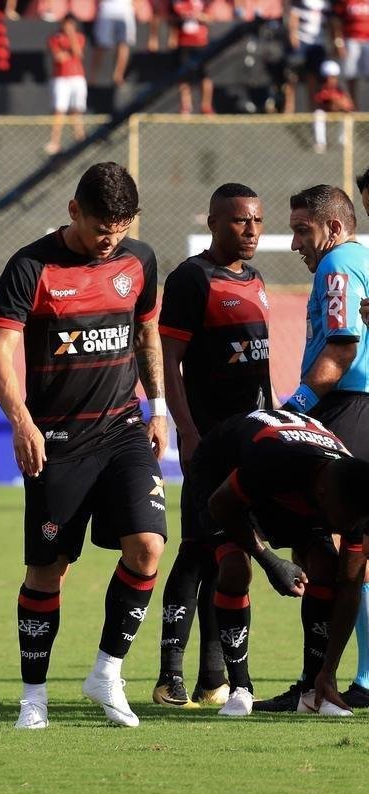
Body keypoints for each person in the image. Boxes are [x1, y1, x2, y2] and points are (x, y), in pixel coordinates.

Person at [0, 162, 168, 729]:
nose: (108, 240)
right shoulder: (30, 266)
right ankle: (33, 697)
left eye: (119, 228)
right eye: (98, 229)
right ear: (73, 212)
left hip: (122, 429)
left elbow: (146, 331)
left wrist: (157, 406)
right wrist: (20, 421)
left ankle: (107, 672)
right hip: (57, 441)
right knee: (49, 569)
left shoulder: (140, 260)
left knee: (148, 547)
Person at [152, 184, 272, 709]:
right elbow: (170, 359)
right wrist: (186, 428)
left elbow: (261, 365)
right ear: (214, 222)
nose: (251, 231)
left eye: (257, 222)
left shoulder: (257, 279)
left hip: (252, 439)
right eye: (239, 221)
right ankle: (169, 676)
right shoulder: (190, 278)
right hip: (210, 439)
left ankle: (212, 677)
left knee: (231, 553)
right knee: (199, 550)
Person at [254, 183, 369, 712]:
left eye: (304, 229)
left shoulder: (337, 265)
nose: (296, 241)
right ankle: (356, 679)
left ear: (335, 227)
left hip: (347, 409)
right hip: (354, 406)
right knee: (353, 549)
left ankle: (316, 685)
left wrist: (294, 406)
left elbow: (342, 344)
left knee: (320, 545)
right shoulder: (362, 257)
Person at [190, 409, 369, 717]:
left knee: (327, 565)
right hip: (220, 473)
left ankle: (313, 688)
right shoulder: (276, 459)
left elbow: (350, 585)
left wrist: (330, 669)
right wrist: (269, 561)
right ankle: (240, 689)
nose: (344, 528)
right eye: (341, 522)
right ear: (324, 496)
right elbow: (222, 505)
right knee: (235, 568)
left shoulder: (353, 495)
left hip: (292, 484)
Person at [44, 15, 88, 154]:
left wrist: (71, 37)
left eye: (71, 24)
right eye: (66, 24)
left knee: (77, 109)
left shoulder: (79, 37)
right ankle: (55, 142)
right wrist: (68, 53)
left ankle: (80, 138)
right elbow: (59, 58)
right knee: (59, 110)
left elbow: (78, 54)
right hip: (61, 78)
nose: (68, 27)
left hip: (77, 78)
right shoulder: (54, 38)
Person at [283, 0, 331, 114]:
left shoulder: (326, 3)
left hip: (317, 44)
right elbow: (293, 16)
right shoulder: (300, 2)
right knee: (292, 76)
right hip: (301, 42)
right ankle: (289, 109)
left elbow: (331, 21)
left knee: (313, 78)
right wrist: (293, 36)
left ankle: (313, 109)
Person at [173, 0, 213, 114]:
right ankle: (186, 106)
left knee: (204, 75)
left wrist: (197, 16)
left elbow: (211, 18)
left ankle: (206, 106)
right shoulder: (178, 3)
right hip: (184, 43)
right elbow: (171, 19)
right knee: (183, 76)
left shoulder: (202, 3)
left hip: (200, 43)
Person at [91, 0, 137, 85]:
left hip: (125, 14)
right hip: (106, 12)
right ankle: (93, 76)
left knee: (124, 45)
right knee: (101, 45)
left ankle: (118, 76)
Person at [312, 60, 354, 153]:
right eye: (329, 77)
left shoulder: (341, 87)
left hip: (339, 113)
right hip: (326, 114)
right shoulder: (320, 88)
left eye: (333, 77)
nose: (331, 80)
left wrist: (338, 102)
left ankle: (344, 142)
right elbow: (319, 103)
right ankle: (321, 143)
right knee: (318, 115)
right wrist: (335, 101)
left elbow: (349, 105)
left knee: (348, 116)